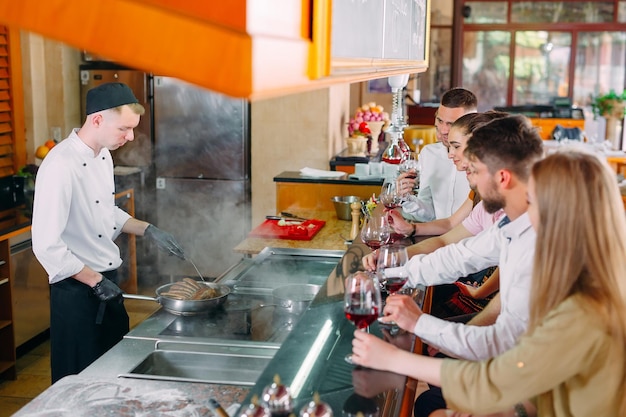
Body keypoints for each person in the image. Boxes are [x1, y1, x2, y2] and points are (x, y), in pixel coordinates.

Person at [352, 149, 626, 416]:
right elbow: (535, 379)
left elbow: (500, 369)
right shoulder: (581, 279)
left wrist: (397, 356)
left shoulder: (584, 310)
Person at [376, 115, 544, 415]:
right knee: (428, 401)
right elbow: (460, 255)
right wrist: (389, 270)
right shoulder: (514, 219)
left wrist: (418, 327)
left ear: (502, 177)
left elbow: (499, 341)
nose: (470, 179)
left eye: (474, 171)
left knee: (428, 404)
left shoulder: (541, 244)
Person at [32, 82, 185, 384]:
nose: (129, 137)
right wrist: (94, 280)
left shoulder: (103, 155)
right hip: (78, 292)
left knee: (114, 374)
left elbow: (104, 211)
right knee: (79, 383)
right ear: (97, 120)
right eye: (124, 129)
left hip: (106, 285)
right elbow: (46, 245)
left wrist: (148, 229)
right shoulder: (60, 165)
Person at [401, 88, 477, 222]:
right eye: (440, 121)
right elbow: (430, 213)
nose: (443, 130)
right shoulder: (428, 154)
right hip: (437, 236)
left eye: (452, 124)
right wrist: (406, 198)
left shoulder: (483, 160)